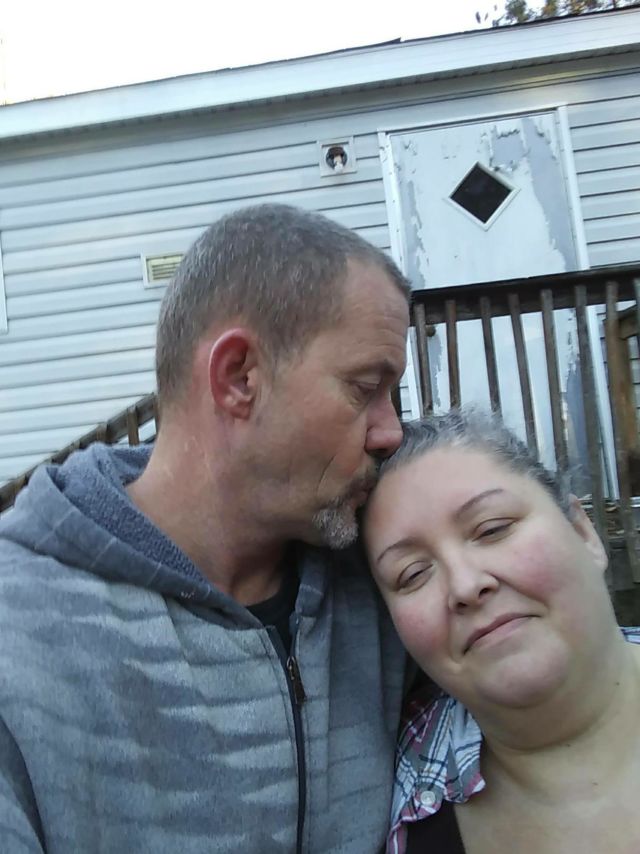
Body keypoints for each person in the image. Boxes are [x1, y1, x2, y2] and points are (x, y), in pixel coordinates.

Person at [0, 204, 411, 853]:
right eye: (366, 388)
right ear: (239, 378)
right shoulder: (18, 635)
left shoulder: (400, 570)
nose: (392, 433)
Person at [364, 411, 640, 854]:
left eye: (492, 529)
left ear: (583, 532)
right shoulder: (383, 801)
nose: (465, 585)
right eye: (412, 574)